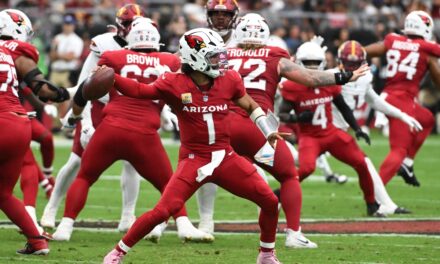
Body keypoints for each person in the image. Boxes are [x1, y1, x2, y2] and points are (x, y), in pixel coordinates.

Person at [101, 27, 292, 264]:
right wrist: (112, 77)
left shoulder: (229, 79)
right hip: (194, 159)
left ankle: (266, 255)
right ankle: (117, 252)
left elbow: (251, 105)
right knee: (163, 211)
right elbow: (142, 91)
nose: (221, 61)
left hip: (225, 156)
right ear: (195, 58)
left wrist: (267, 130)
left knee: (270, 201)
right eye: (214, 56)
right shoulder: (174, 83)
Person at [196, 13, 369, 245]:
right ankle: (294, 234)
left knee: (192, 173)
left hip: (219, 125)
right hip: (256, 128)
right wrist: (344, 76)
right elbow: (309, 78)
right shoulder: (274, 55)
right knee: (288, 175)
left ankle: (172, 220)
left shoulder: (223, 54)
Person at [53, 18, 213, 243]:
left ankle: (65, 227)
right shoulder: (169, 61)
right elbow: (183, 91)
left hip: (110, 128)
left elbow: (86, 89)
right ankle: (183, 225)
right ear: (156, 41)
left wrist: (74, 117)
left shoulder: (113, 57)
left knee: (85, 177)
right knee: (169, 183)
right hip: (144, 133)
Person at [41, 4, 147, 234]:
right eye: (129, 24)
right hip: (100, 106)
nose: (134, 29)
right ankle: (51, 208)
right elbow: (84, 86)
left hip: (129, 109)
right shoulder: (105, 44)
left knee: (132, 163)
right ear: (120, 26)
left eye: (136, 24)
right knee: (77, 160)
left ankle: (127, 217)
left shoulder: (146, 44)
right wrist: (86, 122)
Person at [278, 40, 384, 217]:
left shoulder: (329, 80)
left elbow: (343, 107)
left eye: (315, 62)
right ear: (298, 63)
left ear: (323, 62)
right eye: (308, 63)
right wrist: (297, 118)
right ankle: (277, 195)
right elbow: (281, 115)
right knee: (305, 169)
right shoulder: (292, 86)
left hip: (331, 133)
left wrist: (357, 128)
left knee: (361, 163)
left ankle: (372, 204)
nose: (312, 67)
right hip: (310, 136)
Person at [0, 9, 68, 255]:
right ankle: (38, 242)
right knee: (4, 194)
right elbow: (42, 88)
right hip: (19, 124)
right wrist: (65, 94)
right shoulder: (14, 51)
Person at [330, 39, 421, 214]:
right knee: (299, 166)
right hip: (322, 131)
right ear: (339, 61)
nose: (351, 69)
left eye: (355, 65)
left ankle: (384, 204)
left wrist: (402, 115)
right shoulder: (330, 76)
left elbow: (375, 101)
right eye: (349, 64)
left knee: (366, 165)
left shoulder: (365, 78)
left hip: (337, 133)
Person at [365, 10, 440, 187]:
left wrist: (355, 51)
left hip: (388, 96)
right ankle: (376, 196)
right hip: (402, 102)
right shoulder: (426, 48)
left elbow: (368, 51)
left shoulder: (393, 39)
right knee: (398, 150)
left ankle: (407, 164)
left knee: (427, 119)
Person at [49, 14, 83, 121]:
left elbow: (71, 57)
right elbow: (52, 56)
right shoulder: (57, 37)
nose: (67, 26)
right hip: (55, 72)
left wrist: (58, 54)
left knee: (65, 99)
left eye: (69, 24)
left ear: (73, 26)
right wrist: (63, 55)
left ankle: (64, 123)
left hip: (67, 72)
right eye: (65, 24)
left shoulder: (77, 40)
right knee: (52, 99)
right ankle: (54, 126)